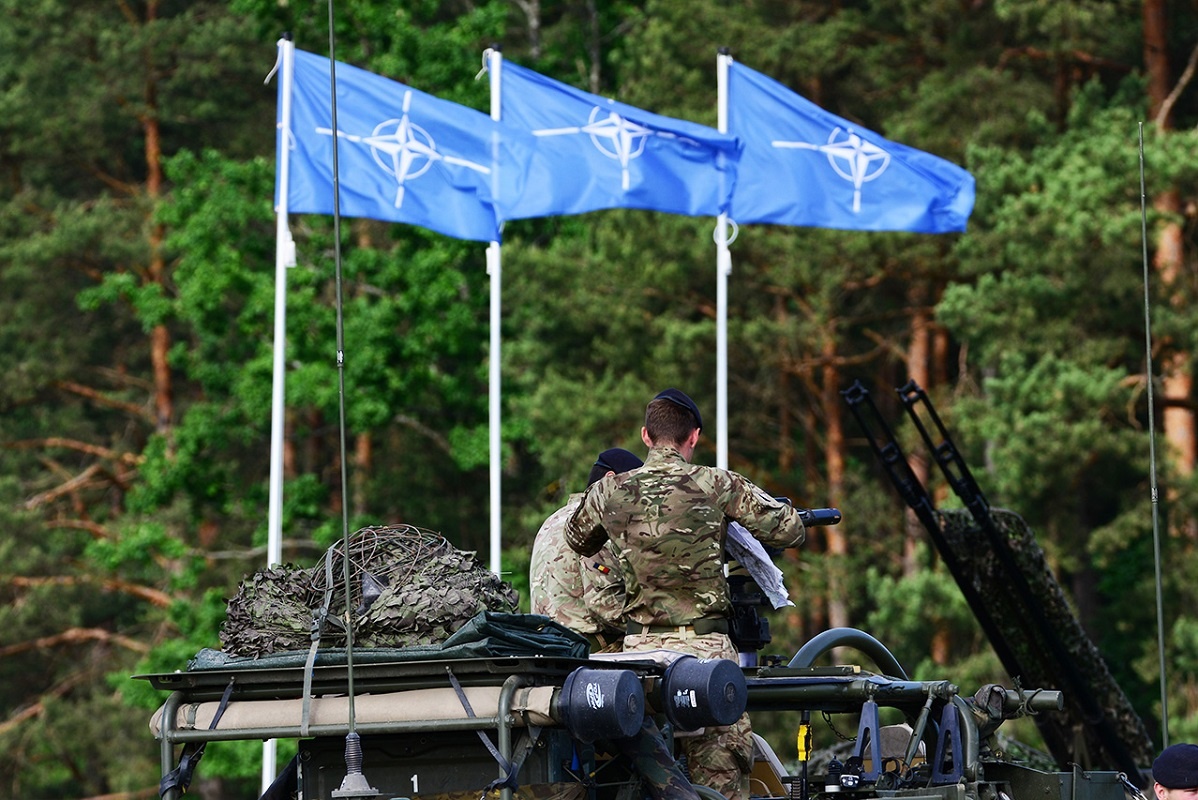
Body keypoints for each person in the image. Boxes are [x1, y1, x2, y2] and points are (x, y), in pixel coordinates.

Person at [565, 388, 807, 800]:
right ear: (693, 437)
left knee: (641, 776)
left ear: (645, 436)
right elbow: (790, 530)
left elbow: (577, 538)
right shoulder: (717, 484)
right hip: (706, 653)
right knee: (722, 769)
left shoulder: (609, 491)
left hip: (638, 657)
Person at [530, 447, 643, 652]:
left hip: (546, 646)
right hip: (584, 649)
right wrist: (654, 623)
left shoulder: (554, 519)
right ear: (611, 480)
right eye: (636, 487)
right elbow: (604, 605)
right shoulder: (596, 525)